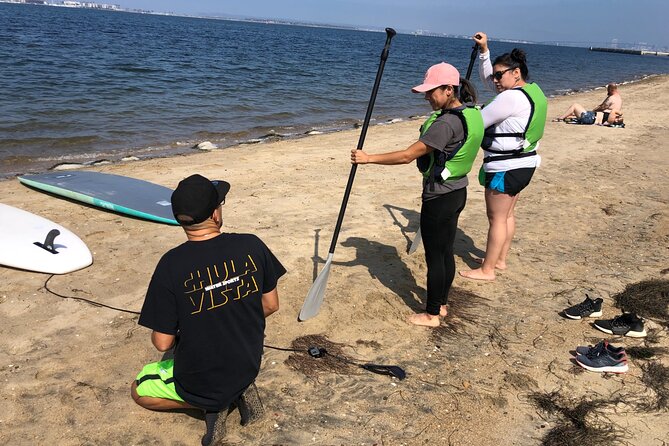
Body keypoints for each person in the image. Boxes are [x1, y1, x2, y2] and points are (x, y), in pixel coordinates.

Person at [130, 174, 286, 445]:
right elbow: (271, 305)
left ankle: (210, 406)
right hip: (247, 364)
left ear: (180, 220)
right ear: (215, 214)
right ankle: (236, 393)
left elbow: (162, 342)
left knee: (139, 389)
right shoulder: (251, 244)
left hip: (199, 379)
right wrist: (234, 316)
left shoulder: (170, 264)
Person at [351, 62, 483, 327]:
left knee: (435, 256)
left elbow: (407, 155)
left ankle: (432, 314)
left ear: (448, 89)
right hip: (458, 192)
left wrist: (368, 159)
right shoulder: (471, 113)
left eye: (431, 91)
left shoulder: (445, 124)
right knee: (446, 252)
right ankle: (443, 304)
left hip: (439, 198)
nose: (426, 97)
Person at [459, 32, 547, 281]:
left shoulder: (510, 97)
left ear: (515, 73)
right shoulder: (533, 92)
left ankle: (487, 270)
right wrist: (484, 50)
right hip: (525, 163)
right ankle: (499, 260)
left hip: (505, 167)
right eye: (495, 74)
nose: (495, 80)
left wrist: (459, 111)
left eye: (500, 75)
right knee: (507, 215)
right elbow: (490, 82)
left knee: (496, 218)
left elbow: (478, 122)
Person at [555, 83, 623, 125]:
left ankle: (560, 118)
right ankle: (566, 117)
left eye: (608, 90)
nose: (607, 91)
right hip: (596, 117)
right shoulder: (619, 98)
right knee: (574, 114)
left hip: (592, 117)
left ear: (611, 90)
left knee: (575, 106)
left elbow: (602, 107)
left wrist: (593, 111)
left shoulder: (611, 98)